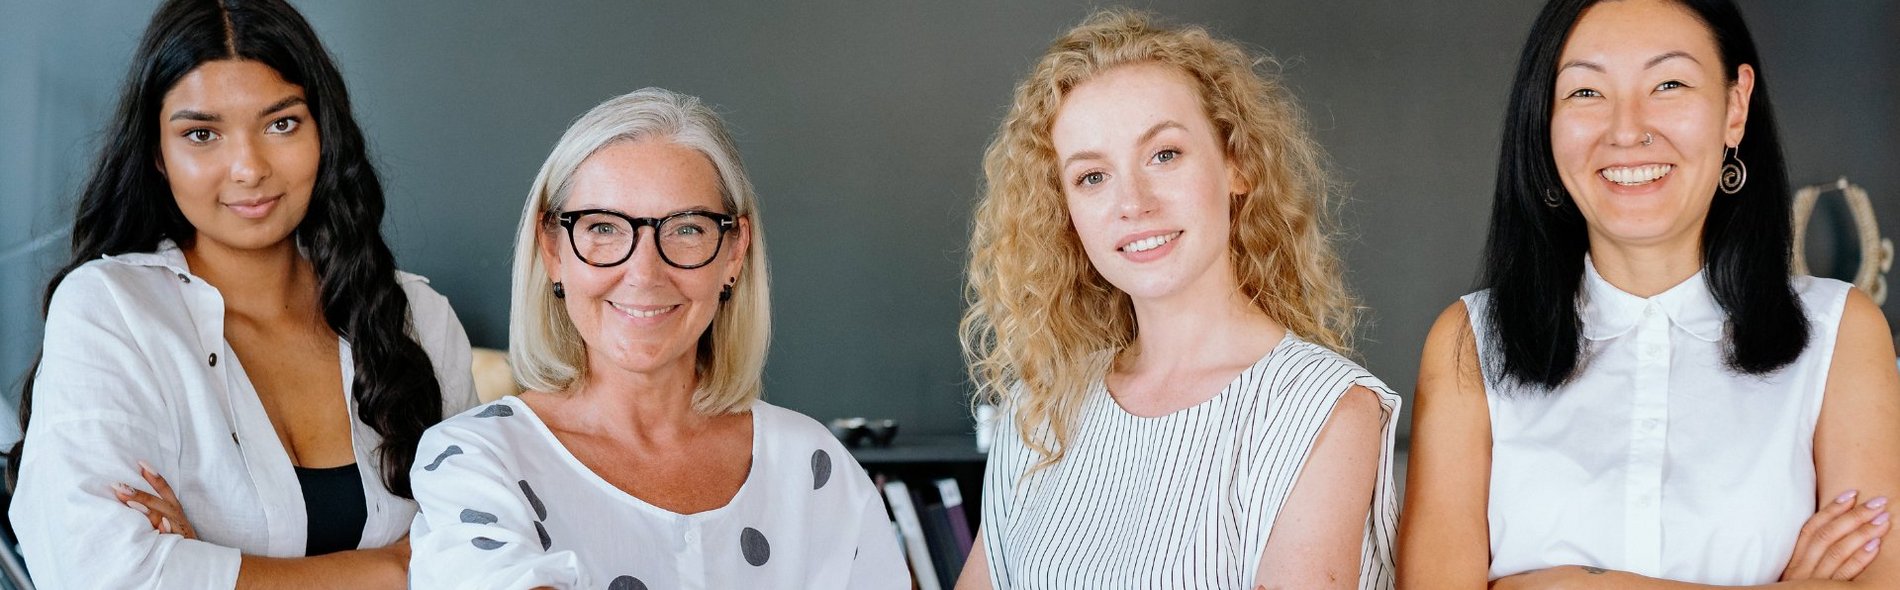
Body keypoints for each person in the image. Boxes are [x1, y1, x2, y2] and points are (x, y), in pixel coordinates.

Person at [1398, 0, 1900, 587]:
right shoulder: (1471, 341)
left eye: (1669, 83)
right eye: (1586, 93)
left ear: (1735, 107)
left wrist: (1569, 584)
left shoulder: (1839, 331)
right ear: (1545, 119)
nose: (1627, 130)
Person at [7, 0, 478, 587]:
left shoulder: (416, 319)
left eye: (281, 124)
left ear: (323, 133)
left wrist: (205, 565)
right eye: (201, 134)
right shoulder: (111, 310)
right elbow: (100, 573)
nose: (247, 168)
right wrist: (394, 565)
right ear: (158, 153)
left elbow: (480, 556)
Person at [957, 9, 1401, 589]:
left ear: (1236, 164)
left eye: (1163, 155)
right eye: (1092, 176)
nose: (1133, 203)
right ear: (1064, 212)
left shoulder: (1323, 411)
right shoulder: (1040, 409)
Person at [406, 87, 909, 589]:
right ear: (553, 249)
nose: (644, 273)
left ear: (734, 255)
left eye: (687, 229)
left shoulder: (812, 466)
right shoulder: (473, 459)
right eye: (603, 227)